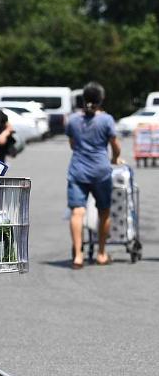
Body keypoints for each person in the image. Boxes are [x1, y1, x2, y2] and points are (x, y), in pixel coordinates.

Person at [66, 82, 121, 269]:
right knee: (104, 211)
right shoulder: (106, 120)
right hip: (101, 171)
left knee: (77, 212)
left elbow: (72, 144)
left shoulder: (73, 120)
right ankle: (101, 253)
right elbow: (115, 144)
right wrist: (116, 158)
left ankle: (78, 256)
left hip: (78, 170)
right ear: (101, 99)